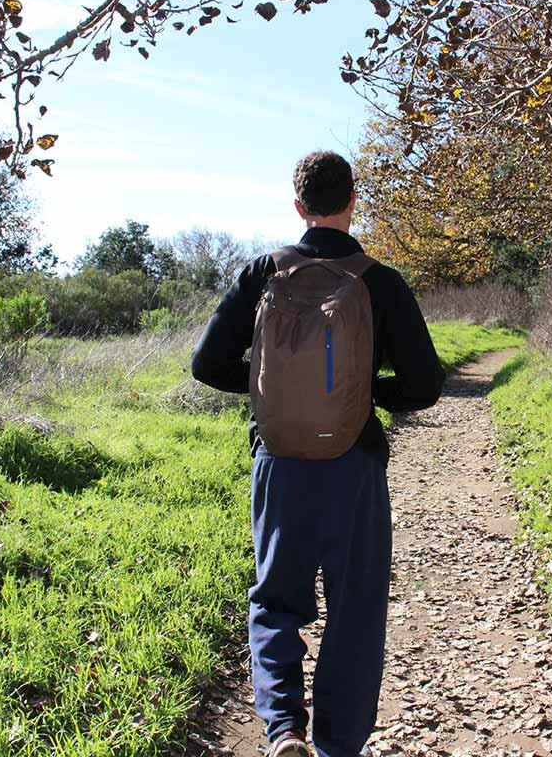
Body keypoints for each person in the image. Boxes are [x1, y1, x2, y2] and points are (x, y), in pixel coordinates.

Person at [190, 150, 445, 757]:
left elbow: (206, 364)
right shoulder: (379, 281)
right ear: (353, 201)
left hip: (279, 463)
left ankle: (283, 729)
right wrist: (363, 393)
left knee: (275, 600)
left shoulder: (262, 273)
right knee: (355, 610)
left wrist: (274, 389)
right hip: (354, 465)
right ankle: (337, 746)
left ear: (298, 205)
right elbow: (425, 385)